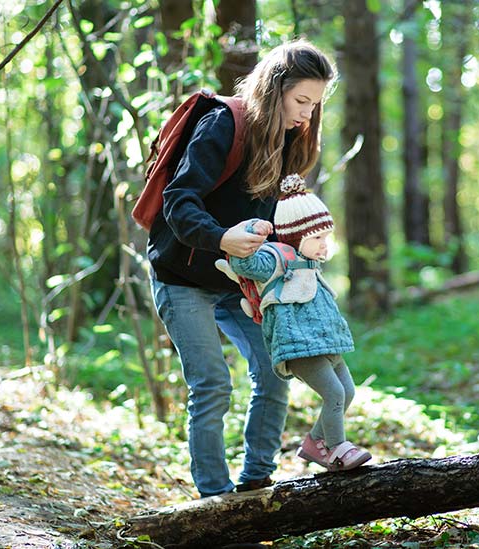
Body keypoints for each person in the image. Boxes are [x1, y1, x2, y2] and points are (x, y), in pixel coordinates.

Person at [147, 40, 337, 497]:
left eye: (316, 106)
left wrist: (308, 245)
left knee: (275, 373)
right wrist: (220, 236)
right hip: (184, 275)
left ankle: (255, 486)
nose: (307, 116)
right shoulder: (222, 124)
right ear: (275, 91)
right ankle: (216, 499)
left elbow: (283, 220)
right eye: (301, 102)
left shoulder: (290, 140)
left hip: (244, 281)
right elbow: (179, 199)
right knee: (212, 385)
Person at [223, 174, 372, 472]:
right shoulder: (277, 259)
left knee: (348, 392)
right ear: (295, 235)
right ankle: (336, 448)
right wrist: (254, 230)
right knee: (334, 394)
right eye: (317, 238)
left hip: (325, 342)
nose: (323, 245)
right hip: (299, 346)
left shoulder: (310, 265)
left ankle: (313, 443)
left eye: (326, 237)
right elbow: (243, 263)